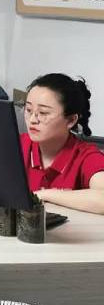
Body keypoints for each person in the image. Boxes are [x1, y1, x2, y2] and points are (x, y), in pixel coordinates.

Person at [21, 73, 104, 214]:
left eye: (43, 112)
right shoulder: (17, 144)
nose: (33, 120)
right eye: (28, 110)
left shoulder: (86, 156)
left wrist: (44, 194)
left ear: (71, 120)